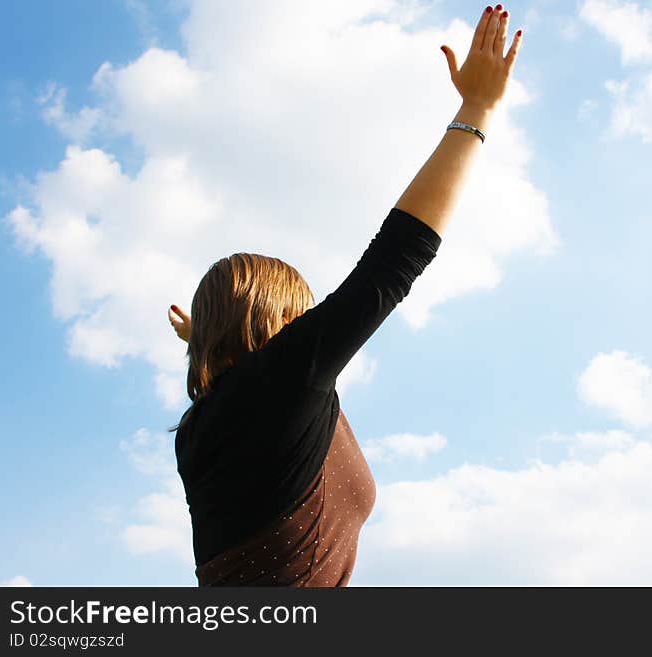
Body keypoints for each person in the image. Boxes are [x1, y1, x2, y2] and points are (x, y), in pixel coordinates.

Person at [166, 4, 523, 587]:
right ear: (280, 318)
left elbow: (249, 392)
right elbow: (394, 259)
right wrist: (475, 109)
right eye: (302, 315)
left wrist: (209, 337)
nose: (314, 326)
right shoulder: (279, 384)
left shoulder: (203, 429)